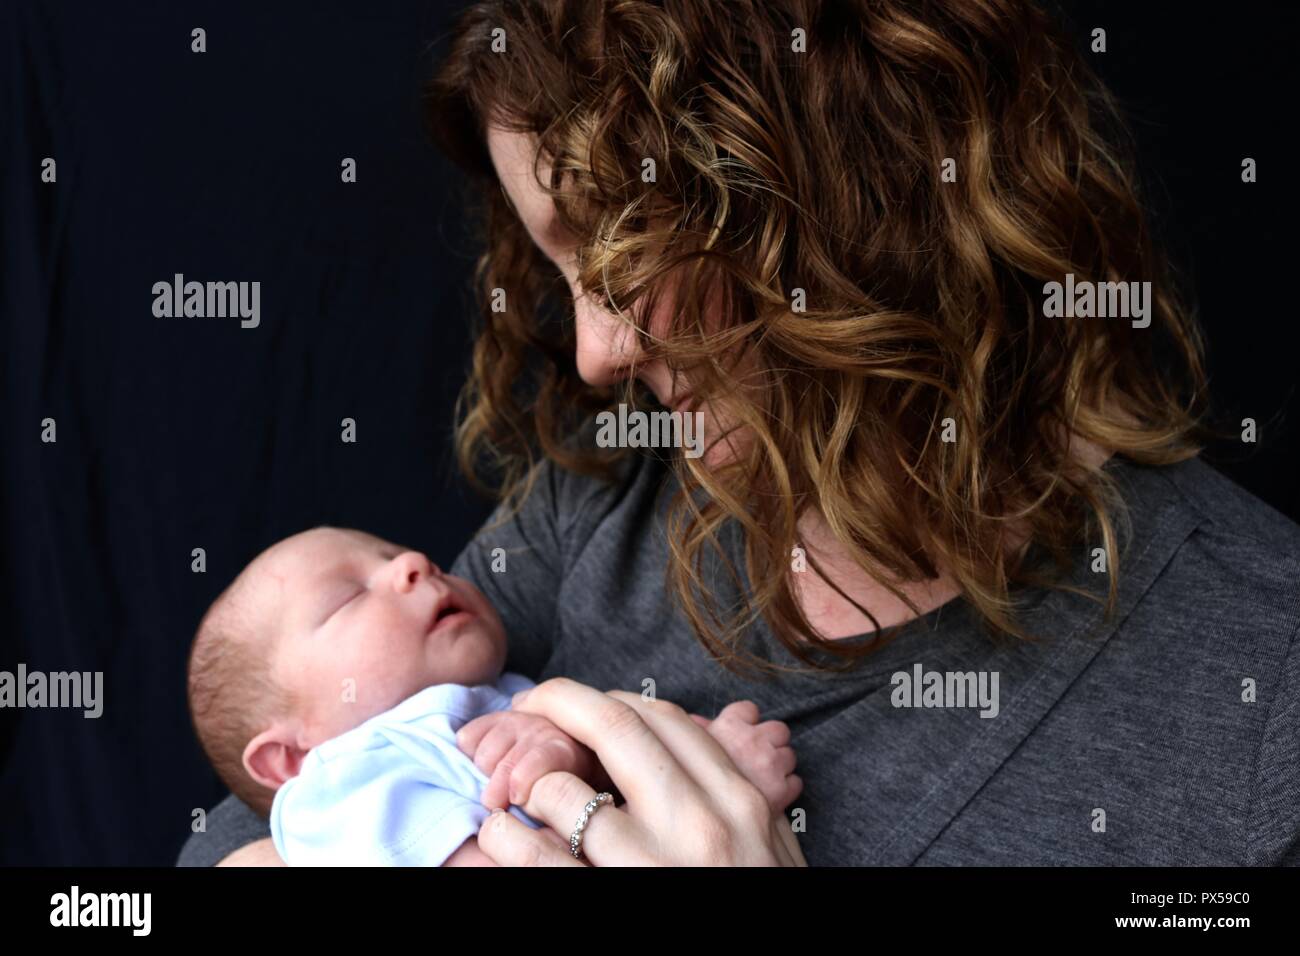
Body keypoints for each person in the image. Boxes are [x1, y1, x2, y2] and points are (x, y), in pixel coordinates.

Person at [179, 0, 1300, 866]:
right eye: (562, 270)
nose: (594, 353)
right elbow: (264, 792)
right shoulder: (601, 504)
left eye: (619, 247)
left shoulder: (1258, 694)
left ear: (843, 189)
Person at [184, 526, 799, 865]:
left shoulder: (506, 698)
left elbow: (637, 785)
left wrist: (714, 770)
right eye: (349, 597)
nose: (416, 562)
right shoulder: (341, 788)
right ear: (289, 758)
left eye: (397, 552)